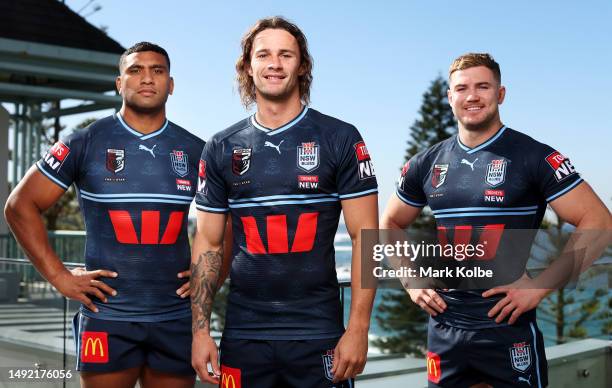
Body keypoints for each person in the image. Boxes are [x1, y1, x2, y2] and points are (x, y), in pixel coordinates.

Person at [381, 53, 611, 388]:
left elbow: (599, 222)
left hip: (507, 325)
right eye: (461, 88)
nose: (471, 96)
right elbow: (389, 224)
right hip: (444, 327)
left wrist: (541, 286)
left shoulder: (534, 156)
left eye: (482, 86)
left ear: (500, 94)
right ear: (450, 97)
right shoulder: (426, 162)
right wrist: (411, 281)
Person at [190, 16, 378, 387]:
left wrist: (358, 329)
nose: (274, 63)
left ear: (302, 65)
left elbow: (366, 238)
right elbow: (209, 243)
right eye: (263, 54)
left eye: (285, 54)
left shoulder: (339, 138)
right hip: (244, 333)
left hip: (319, 332)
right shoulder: (221, 147)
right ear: (247, 66)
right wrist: (199, 332)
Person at [4, 42, 205, 388]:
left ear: (170, 84)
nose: (147, 79)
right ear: (119, 83)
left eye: (157, 71)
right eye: (135, 70)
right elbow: (19, 205)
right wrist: (59, 276)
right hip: (106, 316)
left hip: (175, 316)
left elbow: (228, 218)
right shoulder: (85, 142)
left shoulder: (196, 149)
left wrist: (211, 275)